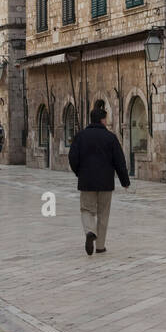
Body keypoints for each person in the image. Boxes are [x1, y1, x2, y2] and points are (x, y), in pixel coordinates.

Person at [68, 103, 130, 256]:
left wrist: (79, 172)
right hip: (105, 182)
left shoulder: (80, 136)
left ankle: (90, 231)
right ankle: (100, 246)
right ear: (103, 120)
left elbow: (72, 158)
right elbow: (119, 161)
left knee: (87, 210)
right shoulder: (111, 138)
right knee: (103, 213)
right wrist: (125, 181)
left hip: (86, 181)